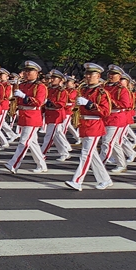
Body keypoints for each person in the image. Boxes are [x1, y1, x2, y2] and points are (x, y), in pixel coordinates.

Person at [65, 63, 113, 191]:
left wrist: (89, 104)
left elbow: (106, 111)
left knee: (85, 154)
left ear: (98, 76)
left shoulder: (102, 92)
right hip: (84, 124)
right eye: (86, 74)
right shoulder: (83, 89)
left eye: (90, 74)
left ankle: (77, 180)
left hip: (94, 124)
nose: (87, 76)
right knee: (93, 155)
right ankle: (105, 179)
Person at [5, 61, 48, 174]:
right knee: (32, 142)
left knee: (24, 142)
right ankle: (42, 164)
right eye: (26, 71)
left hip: (33, 116)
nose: (27, 73)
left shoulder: (40, 86)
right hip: (24, 115)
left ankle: (13, 164)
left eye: (30, 71)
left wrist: (24, 96)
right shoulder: (23, 85)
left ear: (37, 73)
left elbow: (39, 102)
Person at [41, 69, 72, 162]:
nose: (52, 79)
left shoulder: (62, 91)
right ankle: (65, 152)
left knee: (49, 136)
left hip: (56, 115)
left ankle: (41, 154)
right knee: (56, 135)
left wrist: (50, 103)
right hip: (49, 114)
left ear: (60, 80)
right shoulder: (49, 89)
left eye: (55, 78)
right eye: (52, 78)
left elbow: (61, 104)